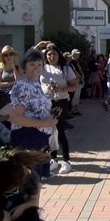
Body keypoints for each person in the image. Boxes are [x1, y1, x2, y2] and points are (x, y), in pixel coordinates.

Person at [9, 49, 58, 179]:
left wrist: (50, 117)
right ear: (24, 66)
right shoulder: (22, 86)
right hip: (26, 138)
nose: (36, 67)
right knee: (28, 182)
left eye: (39, 64)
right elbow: (14, 118)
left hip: (40, 138)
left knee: (36, 182)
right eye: (32, 64)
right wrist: (44, 123)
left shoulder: (37, 84)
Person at [40, 44, 78, 174]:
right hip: (45, 102)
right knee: (49, 131)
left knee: (59, 129)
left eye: (54, 54)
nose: (51, 57)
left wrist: (62, 89)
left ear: (58, 55)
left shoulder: (65, 68)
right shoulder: (42, 68)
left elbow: (75, 85)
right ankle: (53, 159)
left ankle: (66, 161)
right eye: (49, 54)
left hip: (60, 101)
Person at [70, 49, 84, 116]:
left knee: (77, 96)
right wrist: (80, 77)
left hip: (79, 80)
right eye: (76, 54)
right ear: (72, 54)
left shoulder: (76, 62)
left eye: (78, 54)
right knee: (75, 96)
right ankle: (73, 110)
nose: (78, 55)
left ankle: (76, 109)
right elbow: (74, 71)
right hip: (75, 81)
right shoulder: (72, 62)